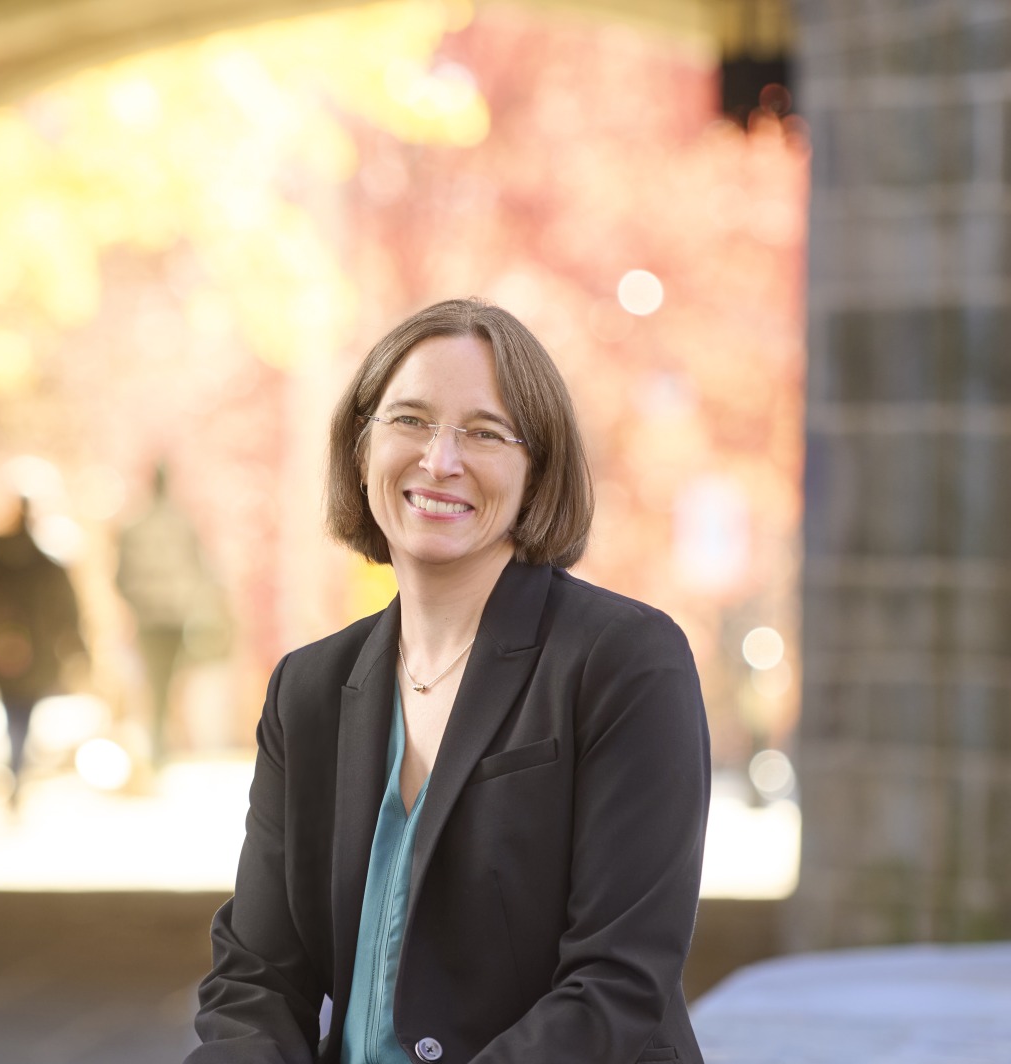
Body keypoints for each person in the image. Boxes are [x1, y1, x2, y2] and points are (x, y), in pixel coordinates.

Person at [188, 298, 710, 1064]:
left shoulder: (627, 663)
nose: (440, 460)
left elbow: (617, 984)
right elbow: (256, 977)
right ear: (361, 447)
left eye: (485, 432)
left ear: (538, 468)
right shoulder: (308, 689)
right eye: (410, 420)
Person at [0, 496, 85, 801]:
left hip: (28, 652)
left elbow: (65, 609)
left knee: (19, 711)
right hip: (9, 652)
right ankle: (15, 766)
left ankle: (15, 766)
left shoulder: (32, 562)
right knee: (17, 711)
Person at [116, 463, 224, 766]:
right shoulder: (182, 524)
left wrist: (138, 601)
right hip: (174, 616)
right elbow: (201, 569)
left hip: (149, 617)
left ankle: (158, 742)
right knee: (166, 681)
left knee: (156, 679)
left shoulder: (134, 526)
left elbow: (121, 576)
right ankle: (159, 743)